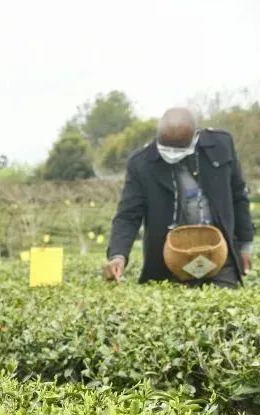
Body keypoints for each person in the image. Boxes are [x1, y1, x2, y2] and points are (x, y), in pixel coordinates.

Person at [104, 107, 253, 287]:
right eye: (167, 149)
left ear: (196, 136)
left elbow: (238, 195)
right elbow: (128, 215)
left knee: (224, 300)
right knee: (171, 301)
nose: (173, 155)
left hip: (219, 254)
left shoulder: (220, 145)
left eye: (180, 149)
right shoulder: (141, 163)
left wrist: (245, 245)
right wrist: (118, 255)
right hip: (170, 259)